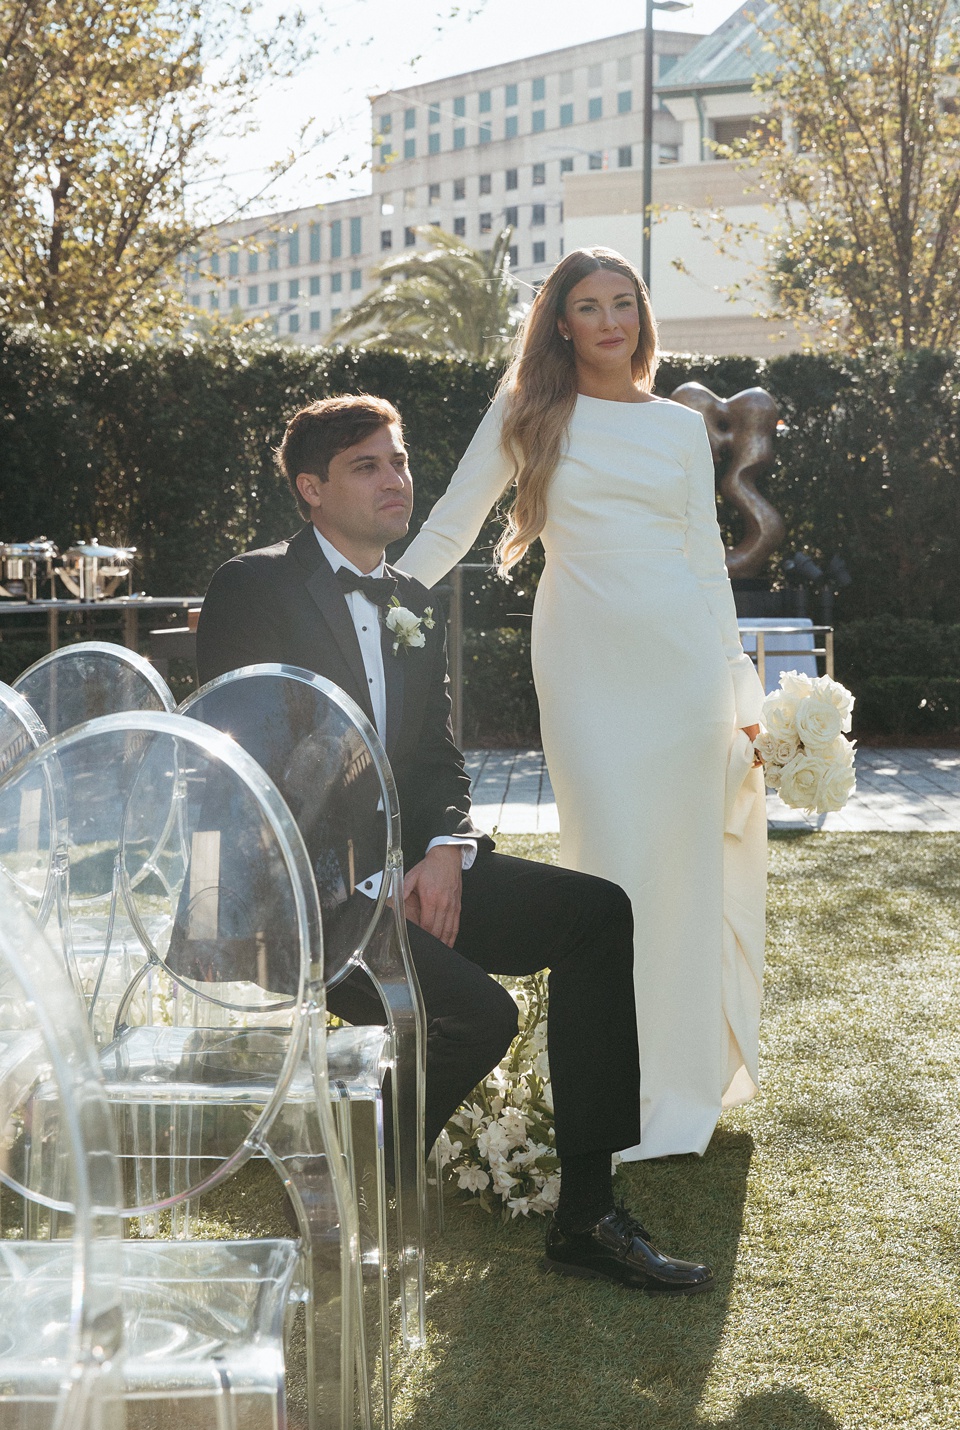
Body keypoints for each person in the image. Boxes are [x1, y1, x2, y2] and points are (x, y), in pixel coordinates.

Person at [196, 392, 714, 1294]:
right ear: (311, 489)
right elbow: (247, 765)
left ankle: (587, 1218)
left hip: (404, 873)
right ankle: (348, 1202)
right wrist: (367, 880)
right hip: (292, 897)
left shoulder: (412, 601)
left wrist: (443, 849)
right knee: (478, 1015)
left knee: (595, 913)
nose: (396, 479)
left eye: (398, 461)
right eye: (368, 466)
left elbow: (436, 755)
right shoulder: (254, 586)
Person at [400, 247, 768, 1162]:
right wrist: (365, 601)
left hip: (681, 665)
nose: (611, 322)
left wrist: (737, 690)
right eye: (590, 306)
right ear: (559, 321)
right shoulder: (530, 410)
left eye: (624, 305)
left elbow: (703, 562)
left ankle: (679, 1088)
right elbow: (452, 519)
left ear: (642, 317)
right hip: (587, 660)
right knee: (605, 864)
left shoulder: (680, 429)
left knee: (678, 874)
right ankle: (607, 1090)